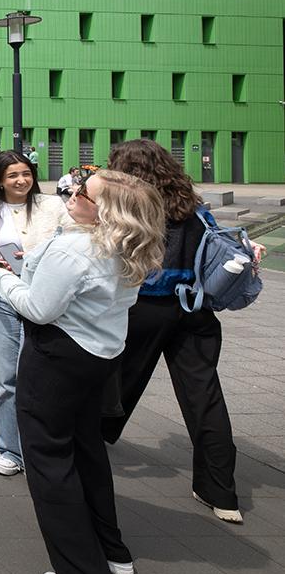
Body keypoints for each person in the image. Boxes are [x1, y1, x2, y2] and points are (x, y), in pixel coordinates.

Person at [0, 171, 166, 574]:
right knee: (87, 450)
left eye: (83, 193)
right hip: (100, 357)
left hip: (57, 359)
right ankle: (113, 552)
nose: (71, 193)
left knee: (48, 462)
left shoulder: (76, 249)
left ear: (105, 211)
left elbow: (38, 308)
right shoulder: (131, 247)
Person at [102, 139, 266, 525]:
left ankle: (95, 440)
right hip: (194, 310)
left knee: (116, 379)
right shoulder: (189, 205)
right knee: (204, 397)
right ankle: (221, 493)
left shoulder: (130, 206)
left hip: (142, 309)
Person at [0, 150, 72, 476]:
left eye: (26, 173)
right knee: (6, 379)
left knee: (41, 378)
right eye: (12, 176)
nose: (21, 180)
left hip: (44, 298)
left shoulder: (52, 206)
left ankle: (46, 446)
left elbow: (77, 241)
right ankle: (10, 449)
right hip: (0, 297)